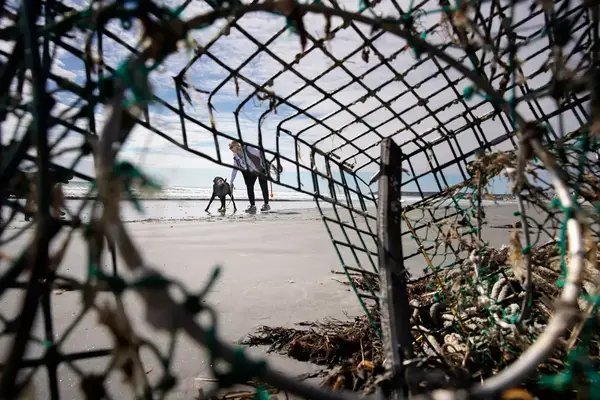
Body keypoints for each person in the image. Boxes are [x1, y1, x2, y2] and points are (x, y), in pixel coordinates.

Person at [229, 141, 270, 213]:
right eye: (229, 147)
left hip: (260, 169)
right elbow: (234, 170)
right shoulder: (236, 158)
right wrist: (231, 182)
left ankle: (266, 205)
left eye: (231, 147)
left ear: (236, 145)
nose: (230, 149)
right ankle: (252, 206)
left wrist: (265, 164)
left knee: (263, 186)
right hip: (251, 172)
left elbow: (259, 153)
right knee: (249, 187)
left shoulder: (248, 149)